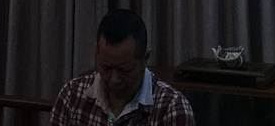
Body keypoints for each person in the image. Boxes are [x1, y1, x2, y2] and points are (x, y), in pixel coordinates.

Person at [51, 9, 195, 125]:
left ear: (145, 59)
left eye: (124, 70)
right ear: (96, 53)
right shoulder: (72, 94)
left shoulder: (171, 108)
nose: (114, 79)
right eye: (106, 68)